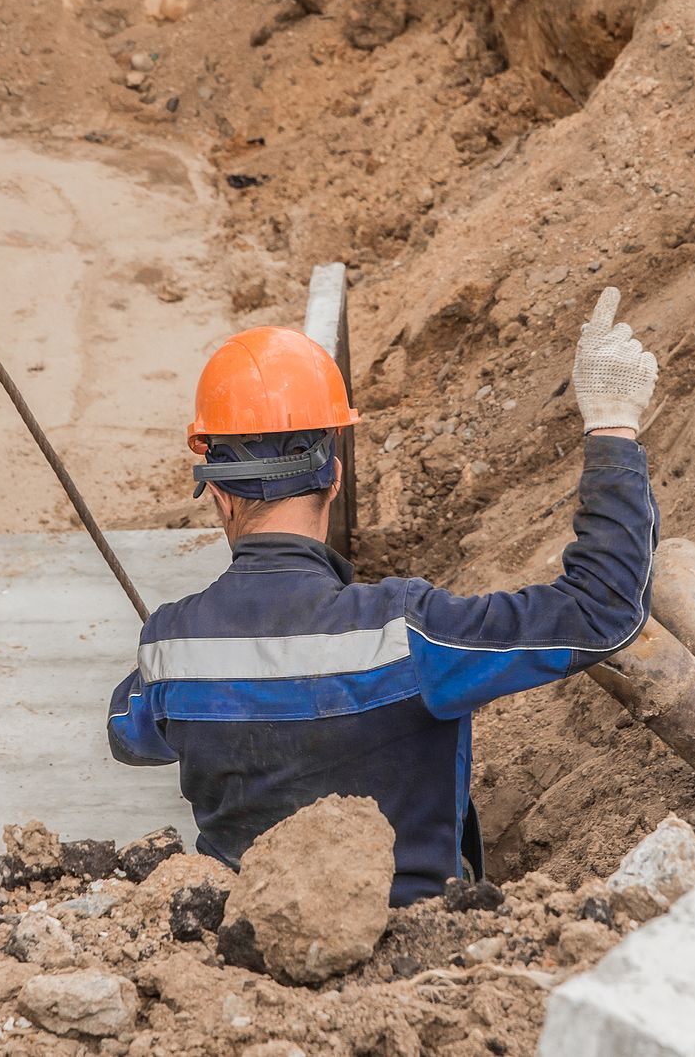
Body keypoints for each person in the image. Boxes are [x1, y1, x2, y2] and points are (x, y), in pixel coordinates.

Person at [108, 287, 660, 905]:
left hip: (240, 946)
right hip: (408, 946)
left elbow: (129, 736)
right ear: (335, 477)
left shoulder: (170, 648)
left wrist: (188, 657)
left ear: (219, 495)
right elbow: (601, 609)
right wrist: (612, 426)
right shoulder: (407, 632)